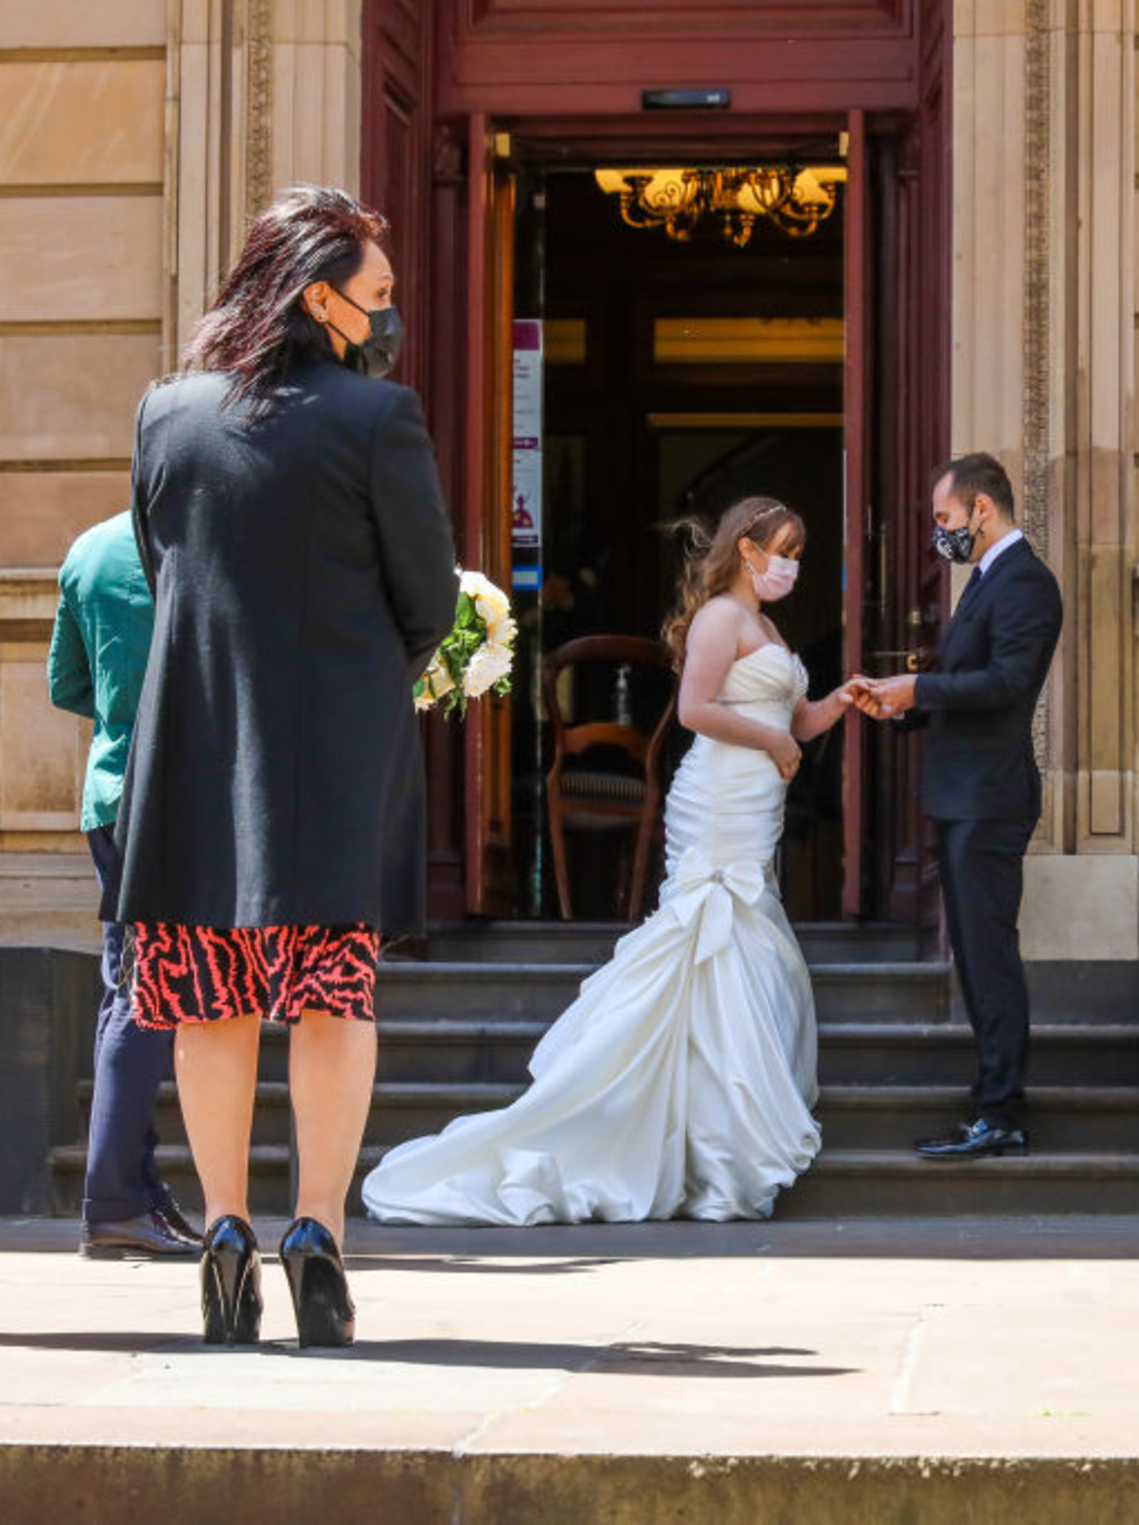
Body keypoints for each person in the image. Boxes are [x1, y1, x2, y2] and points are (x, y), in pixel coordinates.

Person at [111, 186, 457, 1346]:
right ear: (320, 298)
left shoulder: (166, 414)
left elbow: (165, 570)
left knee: (209, 1000)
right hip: (330, 754)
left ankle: (223, 1231)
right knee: (329, 996)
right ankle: (317, 1230)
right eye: (379, 292)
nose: (391, 312)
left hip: (196, 750)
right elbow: (429, 599)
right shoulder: (378, 417)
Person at [363, 496, 853, 1225]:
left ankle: (717, 1135)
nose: (791, 566)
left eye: (798, 554)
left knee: (745, 947)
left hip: (755, 808)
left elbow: (796, 718)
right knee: (708, 940)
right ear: (747, 549)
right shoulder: (721, 617)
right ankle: (693, 1140)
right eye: (782, 550)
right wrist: (774, 741)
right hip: (718, 801)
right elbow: (695, 709)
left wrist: (842, 700)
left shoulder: (769, 626)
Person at [854, 454, 1063, 1160]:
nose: (939, 532)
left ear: (981, 508)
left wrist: (918, 691)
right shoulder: (988, 578)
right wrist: (903, 707)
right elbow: (966, 681)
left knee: (987, 954)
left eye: (944, 518)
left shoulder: (1025, 581)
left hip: (989, 798)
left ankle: (1001, 1111)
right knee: (974, 954)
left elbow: (1005, 684)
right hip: (965, 794)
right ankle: (991, 1104)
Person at [48, 510, 200, 1260]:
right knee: (146, 996)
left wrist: (121, 708)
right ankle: (113, 1200)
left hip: (111, 792)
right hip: (184, 790)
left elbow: (65, 682)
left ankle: (134, 1190)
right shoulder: (206, 535)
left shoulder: (89, 547)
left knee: (129, 986)